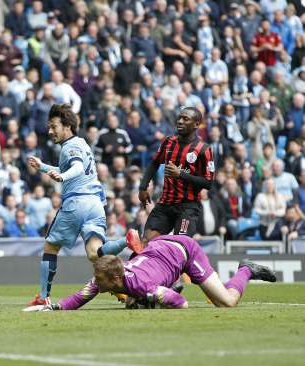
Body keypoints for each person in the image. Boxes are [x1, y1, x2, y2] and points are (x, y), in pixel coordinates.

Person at [26, 104, 134, 306]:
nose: (50, 131)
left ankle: (42, 296)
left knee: (50, 247)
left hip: (76, 203)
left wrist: (62, 176)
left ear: (67, 126)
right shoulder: (82, 143)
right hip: (95, 204)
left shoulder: (70, 147)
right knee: (95, 253)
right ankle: (126, 243)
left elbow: (75, 167)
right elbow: (73, 167)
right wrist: (43, 167)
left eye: (54, 126)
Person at [24, 235, 276, 312]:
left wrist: (160, 298)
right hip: (157, 251)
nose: (95, 285)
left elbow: (182, 303)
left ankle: (245, 269)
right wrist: (53, 308)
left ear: (114, 279)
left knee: (227, 302)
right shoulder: (107, 276)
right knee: (133, 303)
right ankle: (167, 284)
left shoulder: (142, 285)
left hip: (184, 251)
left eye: (99, 281)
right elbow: (80, 297)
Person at [129, 107, 215, 249]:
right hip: (165, 205)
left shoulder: (204, 149)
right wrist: (143, 187)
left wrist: (180, 174)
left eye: (185, 119)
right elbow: (154, 163)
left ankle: (185, 270)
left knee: (179, 248)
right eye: (179, 118)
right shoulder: (168, 142)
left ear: (196, 124)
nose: (180, 121)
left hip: (187, 207)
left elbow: (208, 183)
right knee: (145, 244)